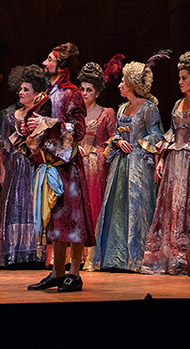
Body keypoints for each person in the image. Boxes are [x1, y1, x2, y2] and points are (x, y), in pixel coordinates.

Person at [142, 50, 190, 276]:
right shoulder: (177, 104)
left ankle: (185, 257)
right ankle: (168, 256)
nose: (180, 82)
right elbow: (171, 133)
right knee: (170, 209)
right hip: (173, 163)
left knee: (187, 209)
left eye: (185, 78)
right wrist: (161, 159)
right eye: (179, 78)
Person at [27, 44, 92, 292]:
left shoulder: (72, 94)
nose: (45, 63)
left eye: (49, 59)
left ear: (61, 65)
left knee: (72, 220)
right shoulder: (48, 93)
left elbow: (78, 130)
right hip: (50, 163)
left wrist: (46, 123)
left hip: (68, 166)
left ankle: (74, 273)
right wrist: (30, 128)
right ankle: (57, 272)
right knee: (55, 220)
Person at [95, 56, 162, 272]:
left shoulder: (149, 108)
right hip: (121, 166)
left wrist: (138, 143)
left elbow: (156, 135)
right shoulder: (122, 108)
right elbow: (116, 133)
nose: (120, 85)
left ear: (132, 84)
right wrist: (118, 140)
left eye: (123, 81)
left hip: (139, 165)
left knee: (137, 209)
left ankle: (136, 258)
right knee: (118, 209)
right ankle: (115, 258)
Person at [0, 66, 48, 268]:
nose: (21, 93)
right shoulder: (10, 117)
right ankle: (14, 253)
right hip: (15, 167)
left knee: (33, 206)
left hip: (34, 165)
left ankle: (35, 253)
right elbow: (3, 148)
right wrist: (2, 171)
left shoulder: (40, 118)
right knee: (15, 206)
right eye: (20, 89)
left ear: (36, 94)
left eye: (26, 90)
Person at [76, 60, 116, 269]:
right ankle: (74, 256)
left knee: (94, 207)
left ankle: (93, 256)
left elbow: (113, 139)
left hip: (97, 168)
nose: (84, 93)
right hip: (77, 165)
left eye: (89, 90)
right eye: (82, 89)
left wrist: (100, 152)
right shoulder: (75, 113)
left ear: (97, 93)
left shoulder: (106, 113)